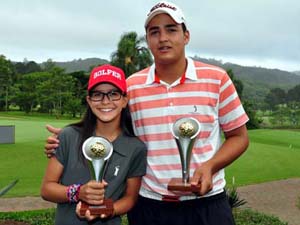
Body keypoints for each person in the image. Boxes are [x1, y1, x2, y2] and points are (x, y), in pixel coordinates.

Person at [45, 1, 249, 225]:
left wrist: (210, 167)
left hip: (207, 205)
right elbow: (111, 127)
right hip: (149, 206)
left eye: (171, 29)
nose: (163, 38)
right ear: (148, 40)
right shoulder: (132, 87)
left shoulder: (216, 79)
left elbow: (239, 137)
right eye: (154, 32)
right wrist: (66, 138)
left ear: (186, 35)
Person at [41, 64, 147, 225]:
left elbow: (129, 199)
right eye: (97, 94)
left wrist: (108, 210)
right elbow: (47, 189)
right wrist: (78, 193)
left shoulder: (135, 147)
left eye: (114, 94)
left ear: (125, 100)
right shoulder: (68, 136)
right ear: (89, 101)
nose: (105, 101)